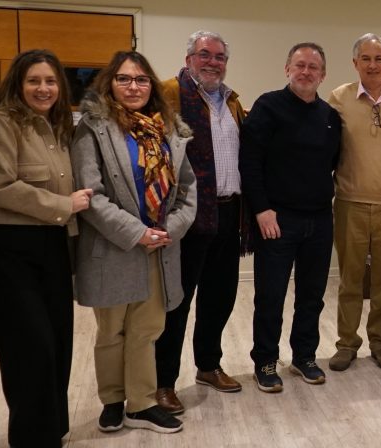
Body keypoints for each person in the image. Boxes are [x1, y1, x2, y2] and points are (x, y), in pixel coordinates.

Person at [71, 51, 196, 434]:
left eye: (141, 80)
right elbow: (91, 193)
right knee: (112, 331)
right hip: (113, 247)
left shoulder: (169, 130)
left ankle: (140, 404)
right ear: (110, 83)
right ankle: (112, 400)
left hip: (158, 247)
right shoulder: (93, 128)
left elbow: (188, 190)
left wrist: (169, 229)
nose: (133, 87)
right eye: (124, 79)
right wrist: (135, 232)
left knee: (147, 329)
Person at [0, 49, 93, 447]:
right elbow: (0, 186)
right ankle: (30, 437)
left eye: (50, 81)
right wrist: (66, 206)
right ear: (18, 84)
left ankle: (51, 430)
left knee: (58, 340)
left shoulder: (58, 126)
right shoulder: (1, 123)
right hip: (11, 246)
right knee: (29, 346)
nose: (43, 88)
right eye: (34, 81)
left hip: (54, 243)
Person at [154, 31, 247, 414]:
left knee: (220, 296)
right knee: (176, 303)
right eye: (204, 54)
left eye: (220, 56)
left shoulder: (233, 102)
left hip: (228, 213)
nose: (212, 62)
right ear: (189, 57)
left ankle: (208, 365)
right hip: (188, 216)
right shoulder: (168, 94)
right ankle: (162, 382)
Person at [240, 42, 341, 393]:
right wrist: (262, 209)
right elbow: (249, 163)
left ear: (323, 75)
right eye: (300, 65)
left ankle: (304, 356)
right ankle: (265, 361)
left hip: (319, 220)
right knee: (271, 295)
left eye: (314, 67)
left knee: (312, 295)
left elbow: (333, 165)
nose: (306, 72)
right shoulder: (268, 107)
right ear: (287, 69)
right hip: (277, 219)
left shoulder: (330, 117)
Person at [327, 34, 381, 372]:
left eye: (378, 59)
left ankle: (380, 343)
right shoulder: (339, 98)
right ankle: (346, 343)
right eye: (366, 58)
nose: (372, 65)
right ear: (355, 63)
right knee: (349, 279)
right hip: (350, 202)